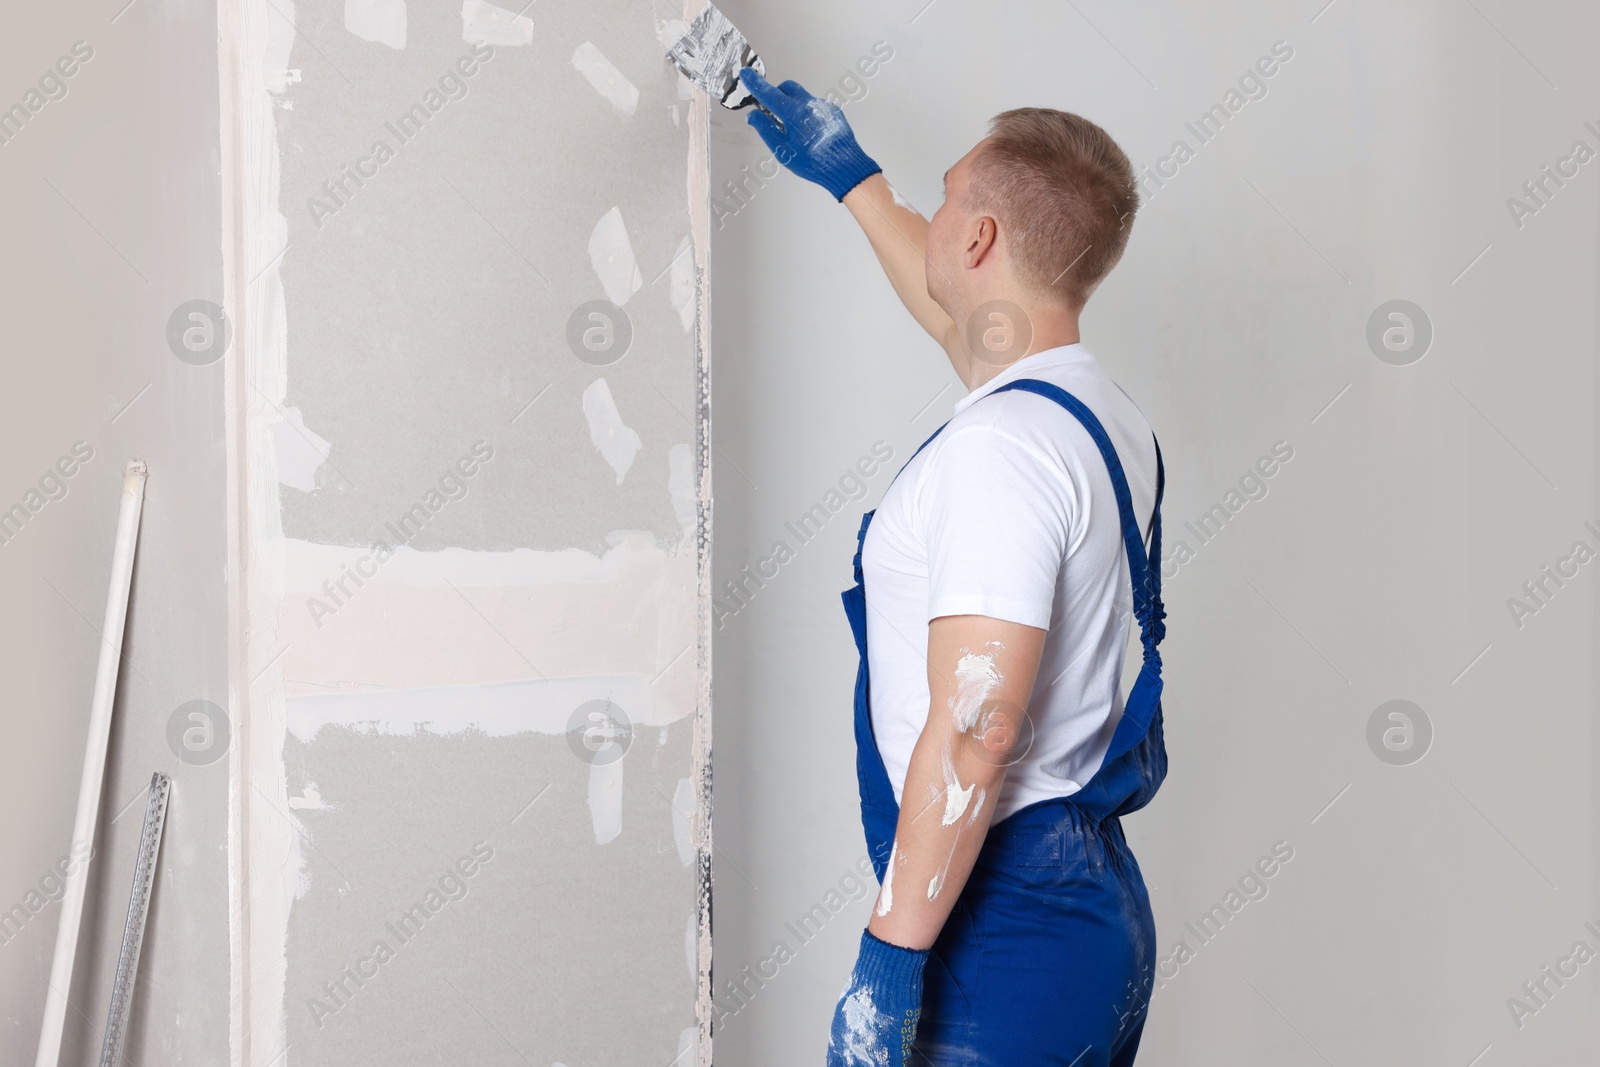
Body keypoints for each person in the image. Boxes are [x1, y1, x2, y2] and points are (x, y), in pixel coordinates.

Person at [739, 68, 1170, 1066]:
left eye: (942, 201)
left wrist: (889, 957)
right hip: (1082, 898)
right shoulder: (1089, 412)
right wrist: (854, 181)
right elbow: (960, 330)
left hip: (1000, 926)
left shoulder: (999, 451)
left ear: (977, 241)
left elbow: (979, 721)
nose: (929, 219)